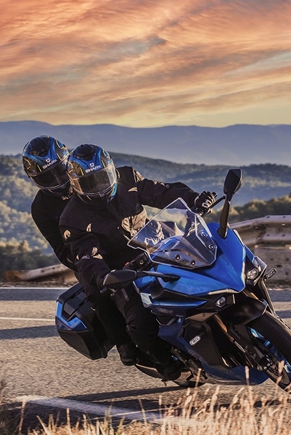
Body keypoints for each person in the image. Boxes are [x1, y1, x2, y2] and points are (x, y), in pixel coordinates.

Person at [59, 144, 215, 380]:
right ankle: (165, 363)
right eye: (90, 182)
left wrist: (194, 198)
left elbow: (161, 192)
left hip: (156, 245)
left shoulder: (128, 178)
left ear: (111, 171)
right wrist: (105, 276)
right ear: (75, 185)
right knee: (139, 321)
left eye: (102, 178)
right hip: (123, 271)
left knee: (207, 272)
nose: (99, 186)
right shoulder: (72, 218)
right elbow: (87, 256)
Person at [21, 136, 139, 366]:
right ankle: (124, 342)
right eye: (47, 177)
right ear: (34, 179)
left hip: (121, 240)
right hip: (85, 256)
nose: (57, 181)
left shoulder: (90, 180)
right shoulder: (41, 208)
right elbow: (59, 246)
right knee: (97, 291)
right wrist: (86, 261)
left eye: (59, 172)